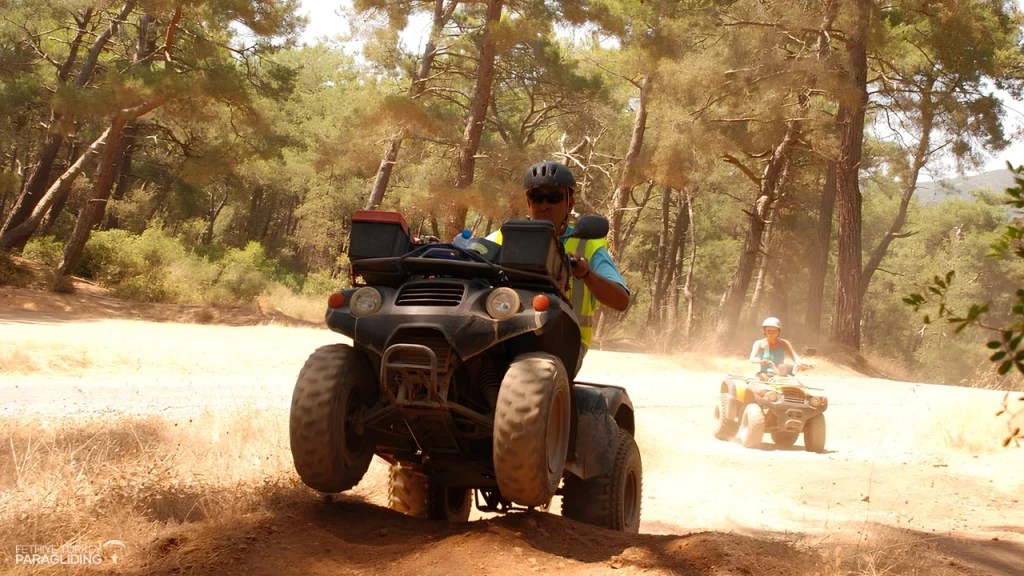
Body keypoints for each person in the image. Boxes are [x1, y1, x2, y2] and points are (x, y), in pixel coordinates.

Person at [486, 160, 629, 367]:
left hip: (565, 342)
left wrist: (586, 273)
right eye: (537, 197)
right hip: (504, 334)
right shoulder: (505, 236)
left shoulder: (587, 245)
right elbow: (472, 252)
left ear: (569, 204)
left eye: (553, 198)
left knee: (535, 369)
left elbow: (621, 301)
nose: (544, 205)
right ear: (528, 203)